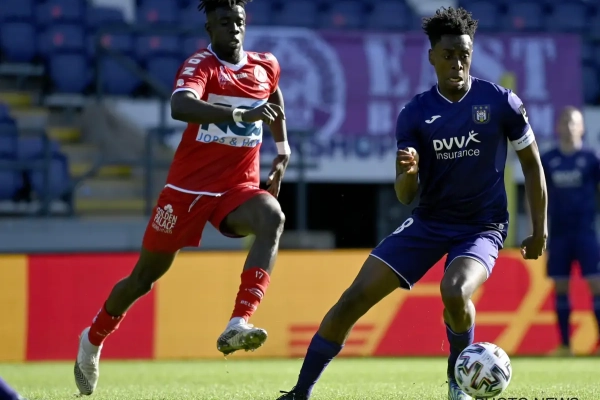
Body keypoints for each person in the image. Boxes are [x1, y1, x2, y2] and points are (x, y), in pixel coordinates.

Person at [277, 7, 547, 400]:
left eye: (464, 55)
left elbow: (533, 166)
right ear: (432, 57)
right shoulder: (415, 114)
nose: (457, 63)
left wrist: (539, 230)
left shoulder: (501, 102)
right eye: (449, 55)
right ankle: (300, 392)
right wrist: (408, 174)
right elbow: (405, 195)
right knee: (352, 300)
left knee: (455, 291)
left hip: (482, 228)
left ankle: (457, 384)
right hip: (429, 222)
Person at [74, 0, 291, 395]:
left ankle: (238, 322)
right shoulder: (201, 66)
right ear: (209, 28)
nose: (233, 28)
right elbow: (180, 105)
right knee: (143, 279)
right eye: (224, 22)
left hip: (237, 188)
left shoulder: (265, 65)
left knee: (272, 216)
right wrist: (239, 115)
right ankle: (92, 338)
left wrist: (283, 150)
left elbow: (273, 97)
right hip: (187, 190)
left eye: (239, 21)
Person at [541, 106, 600, 356]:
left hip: (586, 232)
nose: (568, 127)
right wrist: (538, 228)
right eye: (564, 122)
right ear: (557, 127)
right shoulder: (548, 159)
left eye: (573, 122)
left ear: (582, 127)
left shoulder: (591, 158)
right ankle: (565, 346)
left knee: (596, 285)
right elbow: (538, 196)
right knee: (561, 288)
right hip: (559, 234)